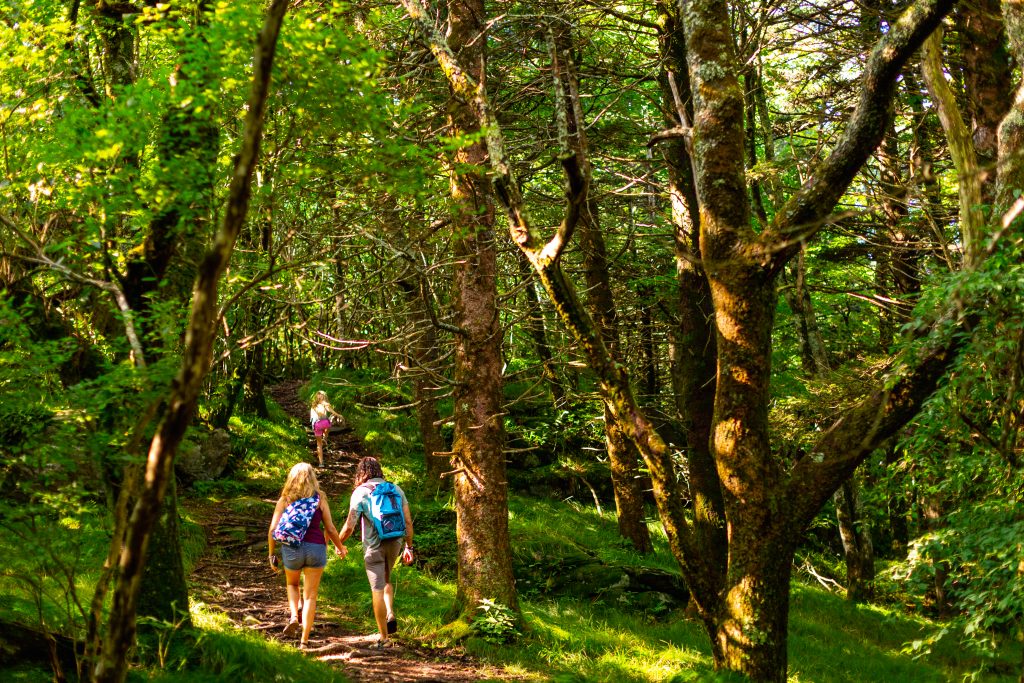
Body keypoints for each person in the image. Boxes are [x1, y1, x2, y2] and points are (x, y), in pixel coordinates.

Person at [336, 456, 414, 648]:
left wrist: (338, 543)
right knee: (387, 578)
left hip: (373, 546)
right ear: (379, 470)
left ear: (361, 472)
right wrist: (409, 547)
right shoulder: (396, 489)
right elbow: (408, 522)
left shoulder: (360, 493)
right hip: (394, 542)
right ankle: (390, 612)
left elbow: (349, 525)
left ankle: (384, 637)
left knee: (376, 588)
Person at [268, 462, 347, 649]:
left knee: (292, 584)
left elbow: (272, 529)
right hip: (316, 548)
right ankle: (304, 641)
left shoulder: (285, 499)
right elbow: (331, 528)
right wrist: (340, 547)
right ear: (312, 478)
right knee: (311, 596)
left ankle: (294, 615)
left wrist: (271, 554)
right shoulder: (320, 499)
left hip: (291, 548)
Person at [309, 390, 344, 467]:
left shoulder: (314, 405)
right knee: (328, 424)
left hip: (316, 425)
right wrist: (338, 415)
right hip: (324, 423)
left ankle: (321, 463)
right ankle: (325, 437)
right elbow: (330, 411)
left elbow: (327, 411)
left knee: (319, 445)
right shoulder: (325, 404)